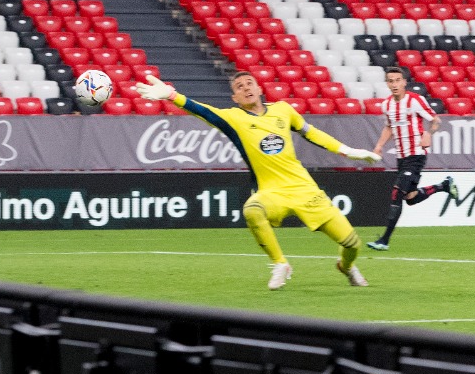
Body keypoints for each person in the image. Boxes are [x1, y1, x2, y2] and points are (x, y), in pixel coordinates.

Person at [136, 72, 383, 290]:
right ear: (235, 98)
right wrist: (171, 94)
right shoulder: (234, 118)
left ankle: (346, 267)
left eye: (249, 83)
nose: (246, 88)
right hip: (271, 192)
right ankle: (280, 264)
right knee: (252, 210)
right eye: (240, 87)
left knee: (352, 243)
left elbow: (311, 133)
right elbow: (202, 110)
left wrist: (348, 150)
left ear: (259, 88)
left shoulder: (283, 110)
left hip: (305, 189)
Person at [366, 67, 456, 252]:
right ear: (387, 84)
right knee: (410, 198)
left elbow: (435, 120)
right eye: (391, 81)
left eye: (398, 80)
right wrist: (379, 146)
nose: (394, 84)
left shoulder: (415, 100)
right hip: (401, 157)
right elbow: (389, 127)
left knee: (397, 192)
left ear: (404, 82)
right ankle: (443, 186)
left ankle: (384, 240)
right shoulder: (387, 105)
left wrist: (428, 134)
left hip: (416, 155)